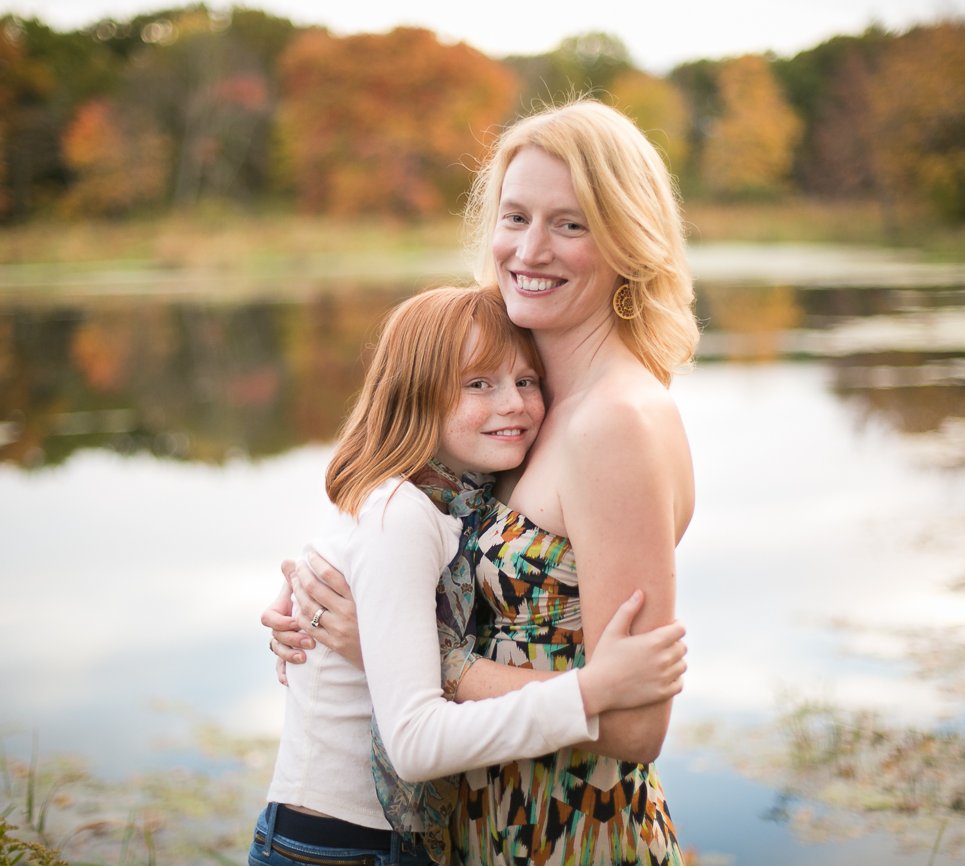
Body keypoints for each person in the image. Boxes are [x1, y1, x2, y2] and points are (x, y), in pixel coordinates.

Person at [270, 99, 699, 866]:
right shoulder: (528, 400)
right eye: (515, 217)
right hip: (482, 820)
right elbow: (403, 499)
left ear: (630, 240)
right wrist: (315, 583)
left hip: (566, 832)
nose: (529, 250)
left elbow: (636, 724)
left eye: (570, 224)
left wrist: (419, 661)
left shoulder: (614, 424)